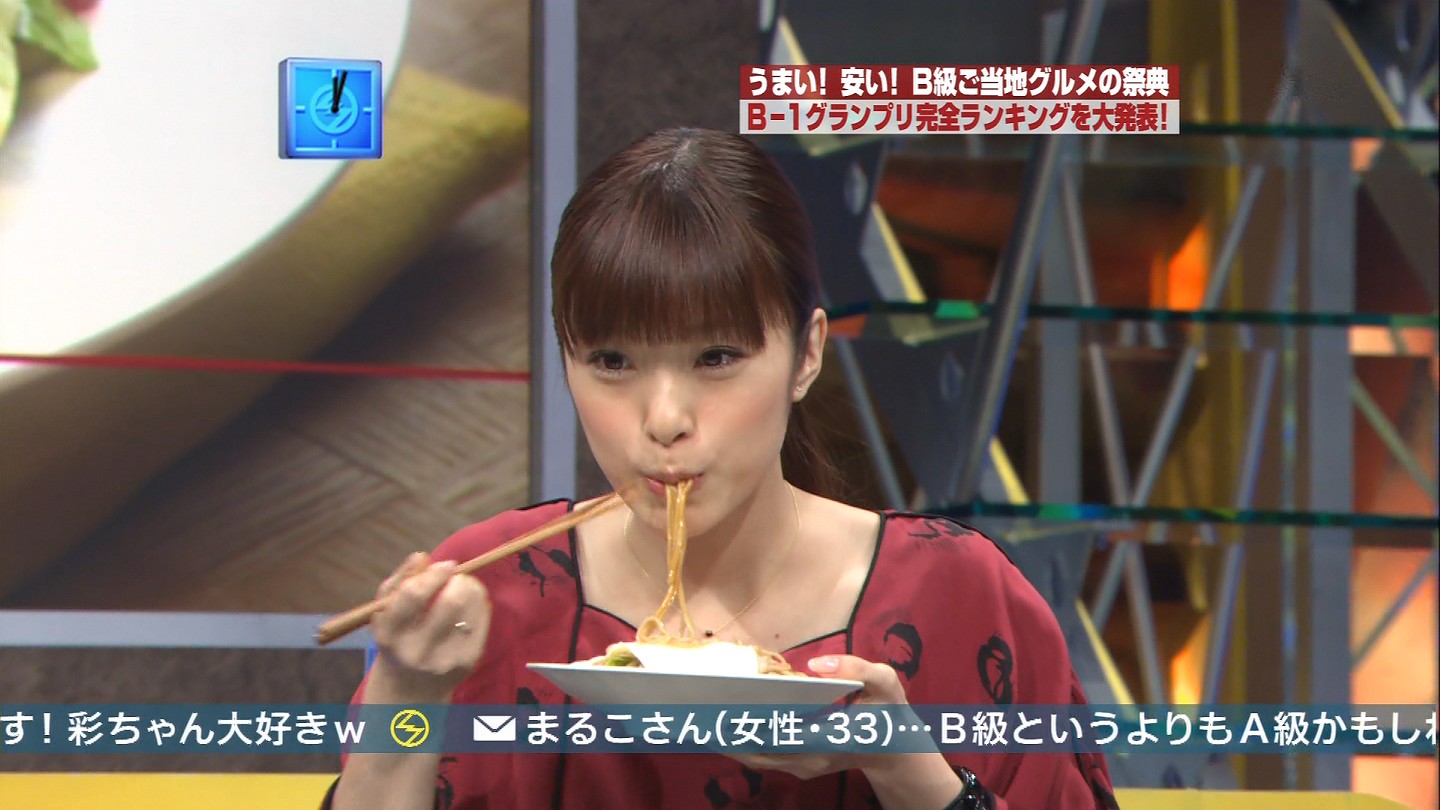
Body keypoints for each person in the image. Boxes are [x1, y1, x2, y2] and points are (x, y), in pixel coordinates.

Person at [323, 127, 1117, 810]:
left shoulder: (957, 595)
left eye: (716, 358)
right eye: (611, 361)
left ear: (806, 354)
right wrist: (407, 691)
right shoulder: (494, 591)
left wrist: (909, 772)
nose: (664, 418)